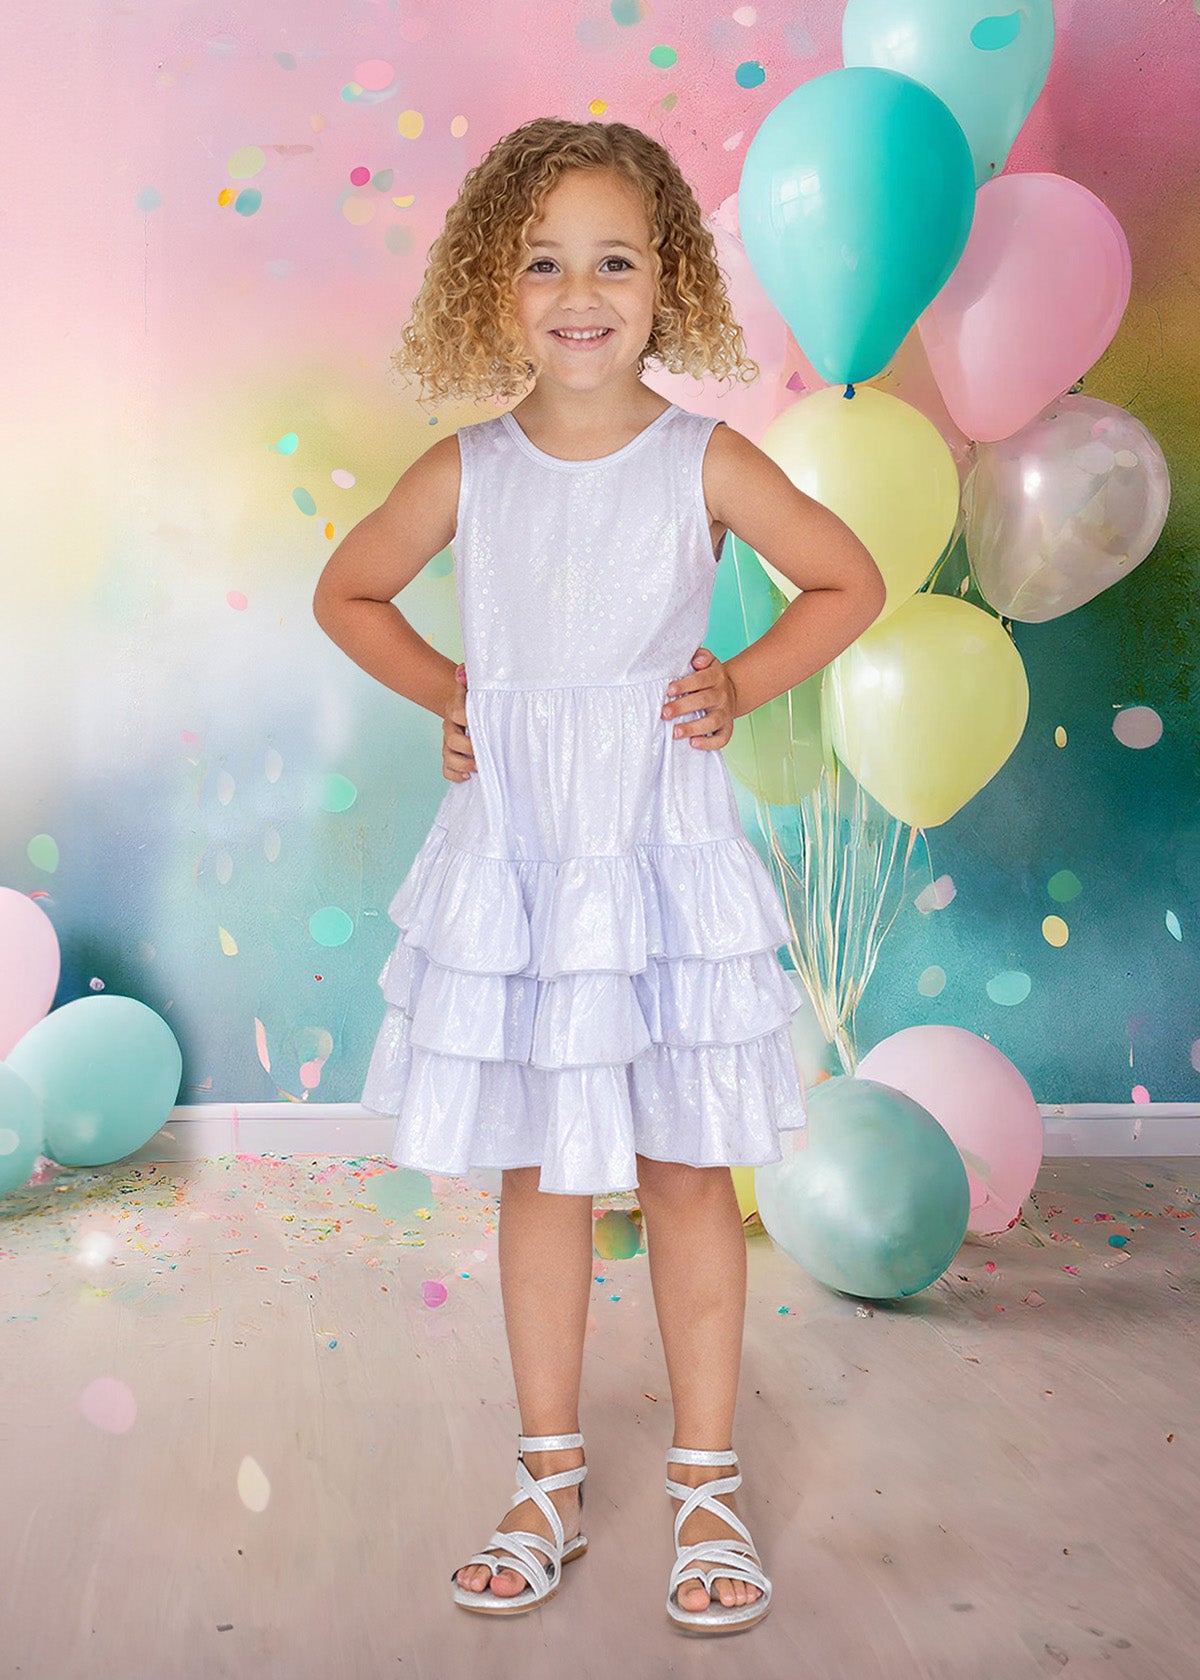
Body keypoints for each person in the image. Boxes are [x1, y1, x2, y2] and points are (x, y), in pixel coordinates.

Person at [313, 116, 884, 1635]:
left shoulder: (703, 457)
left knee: (692, 1167)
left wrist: (748, 678)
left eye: (616, 260)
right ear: (493, 292)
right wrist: (452, 689)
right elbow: (347, 590)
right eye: (545, 263)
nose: (582, 291)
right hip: (523, 857)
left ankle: (707, 1483)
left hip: (658, 844)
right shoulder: (470, 471)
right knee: (540, 1172)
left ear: (667, 280)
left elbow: (850, 576)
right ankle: (549, 1475)